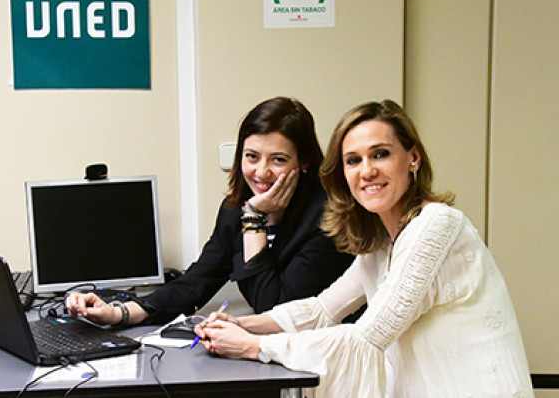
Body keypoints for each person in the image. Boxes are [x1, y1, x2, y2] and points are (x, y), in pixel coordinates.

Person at [194, 99, 533, 397]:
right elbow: (322, 309)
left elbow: (367, 338)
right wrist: (244, 326)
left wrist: (253, 346)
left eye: (380, 154)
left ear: (413, 157)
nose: (367, 171)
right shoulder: (381, 239)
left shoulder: (437, 226)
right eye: (353, 160)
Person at [66, 96, 356, 326]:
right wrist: (119, 312)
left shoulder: (328, 218)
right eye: (252, 157)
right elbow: (197, 281)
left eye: (278, 160)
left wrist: (254, 220)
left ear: (304, 162)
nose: (261, 172)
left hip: (323, 358)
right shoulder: (235, 210)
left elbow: (275, 310)